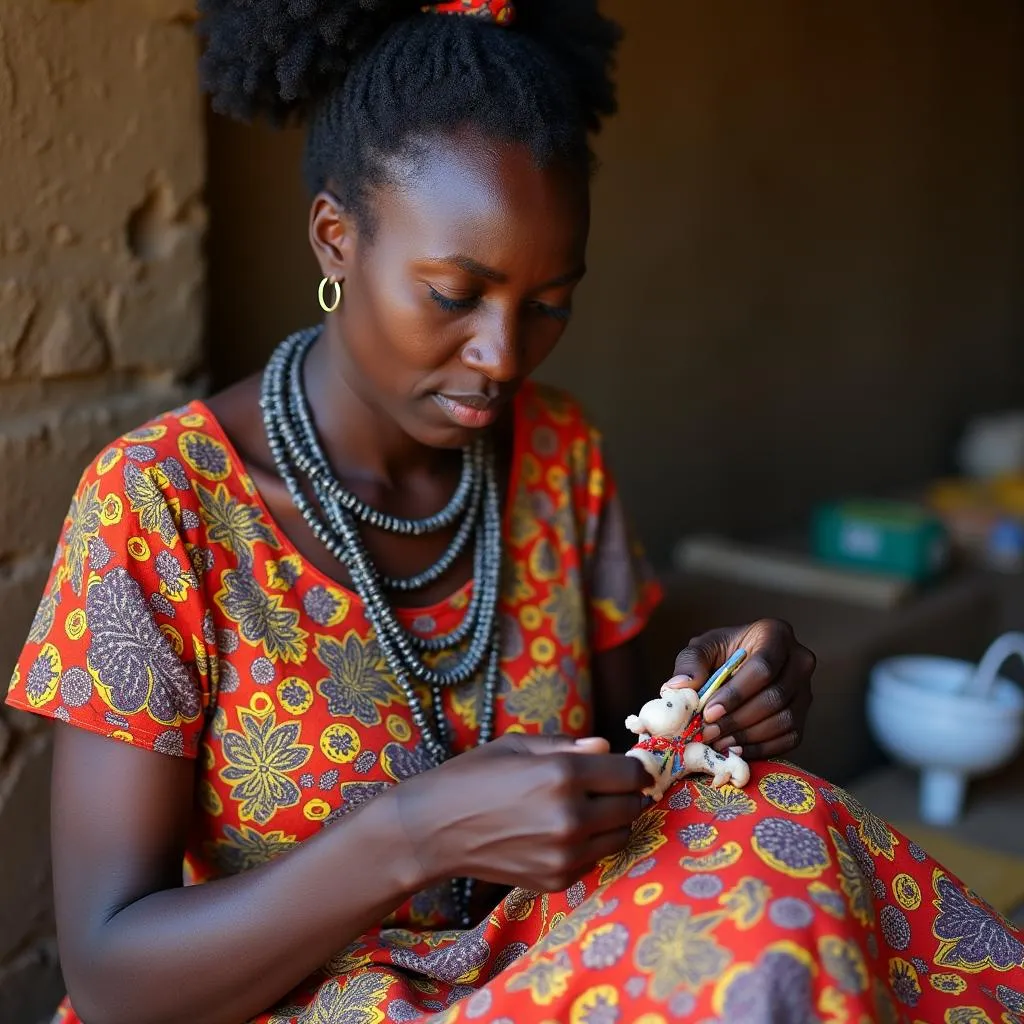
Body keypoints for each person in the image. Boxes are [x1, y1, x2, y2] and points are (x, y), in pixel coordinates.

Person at [7, 1, 1023, 1021]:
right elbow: (108, 975)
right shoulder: (161, 502)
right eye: (455, 293)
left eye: (547, 304)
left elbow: (640, 777)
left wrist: (715, 703)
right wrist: (412, 836)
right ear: (335, 240)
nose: (501, 357)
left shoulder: (556, 453)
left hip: (538, 960)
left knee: (780, 820)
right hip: (282, 1003)